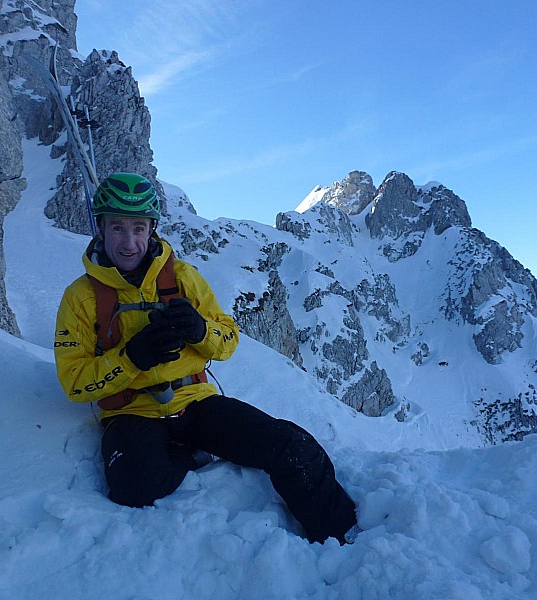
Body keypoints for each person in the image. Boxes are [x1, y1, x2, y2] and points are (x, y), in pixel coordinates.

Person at [53, 172, 358, 544]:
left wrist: (200, 331)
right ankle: (187, 454)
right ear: (100, 228)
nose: (129, 242)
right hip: (131, 412)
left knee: (292, 446)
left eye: (139, 228)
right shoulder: (81, 297)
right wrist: (131, 357)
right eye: (117, 228)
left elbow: (227, 342)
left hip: (195, 403)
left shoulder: (183, 278)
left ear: (152, 229)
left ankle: (341, 539)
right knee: (133, 487)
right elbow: (75, 382)